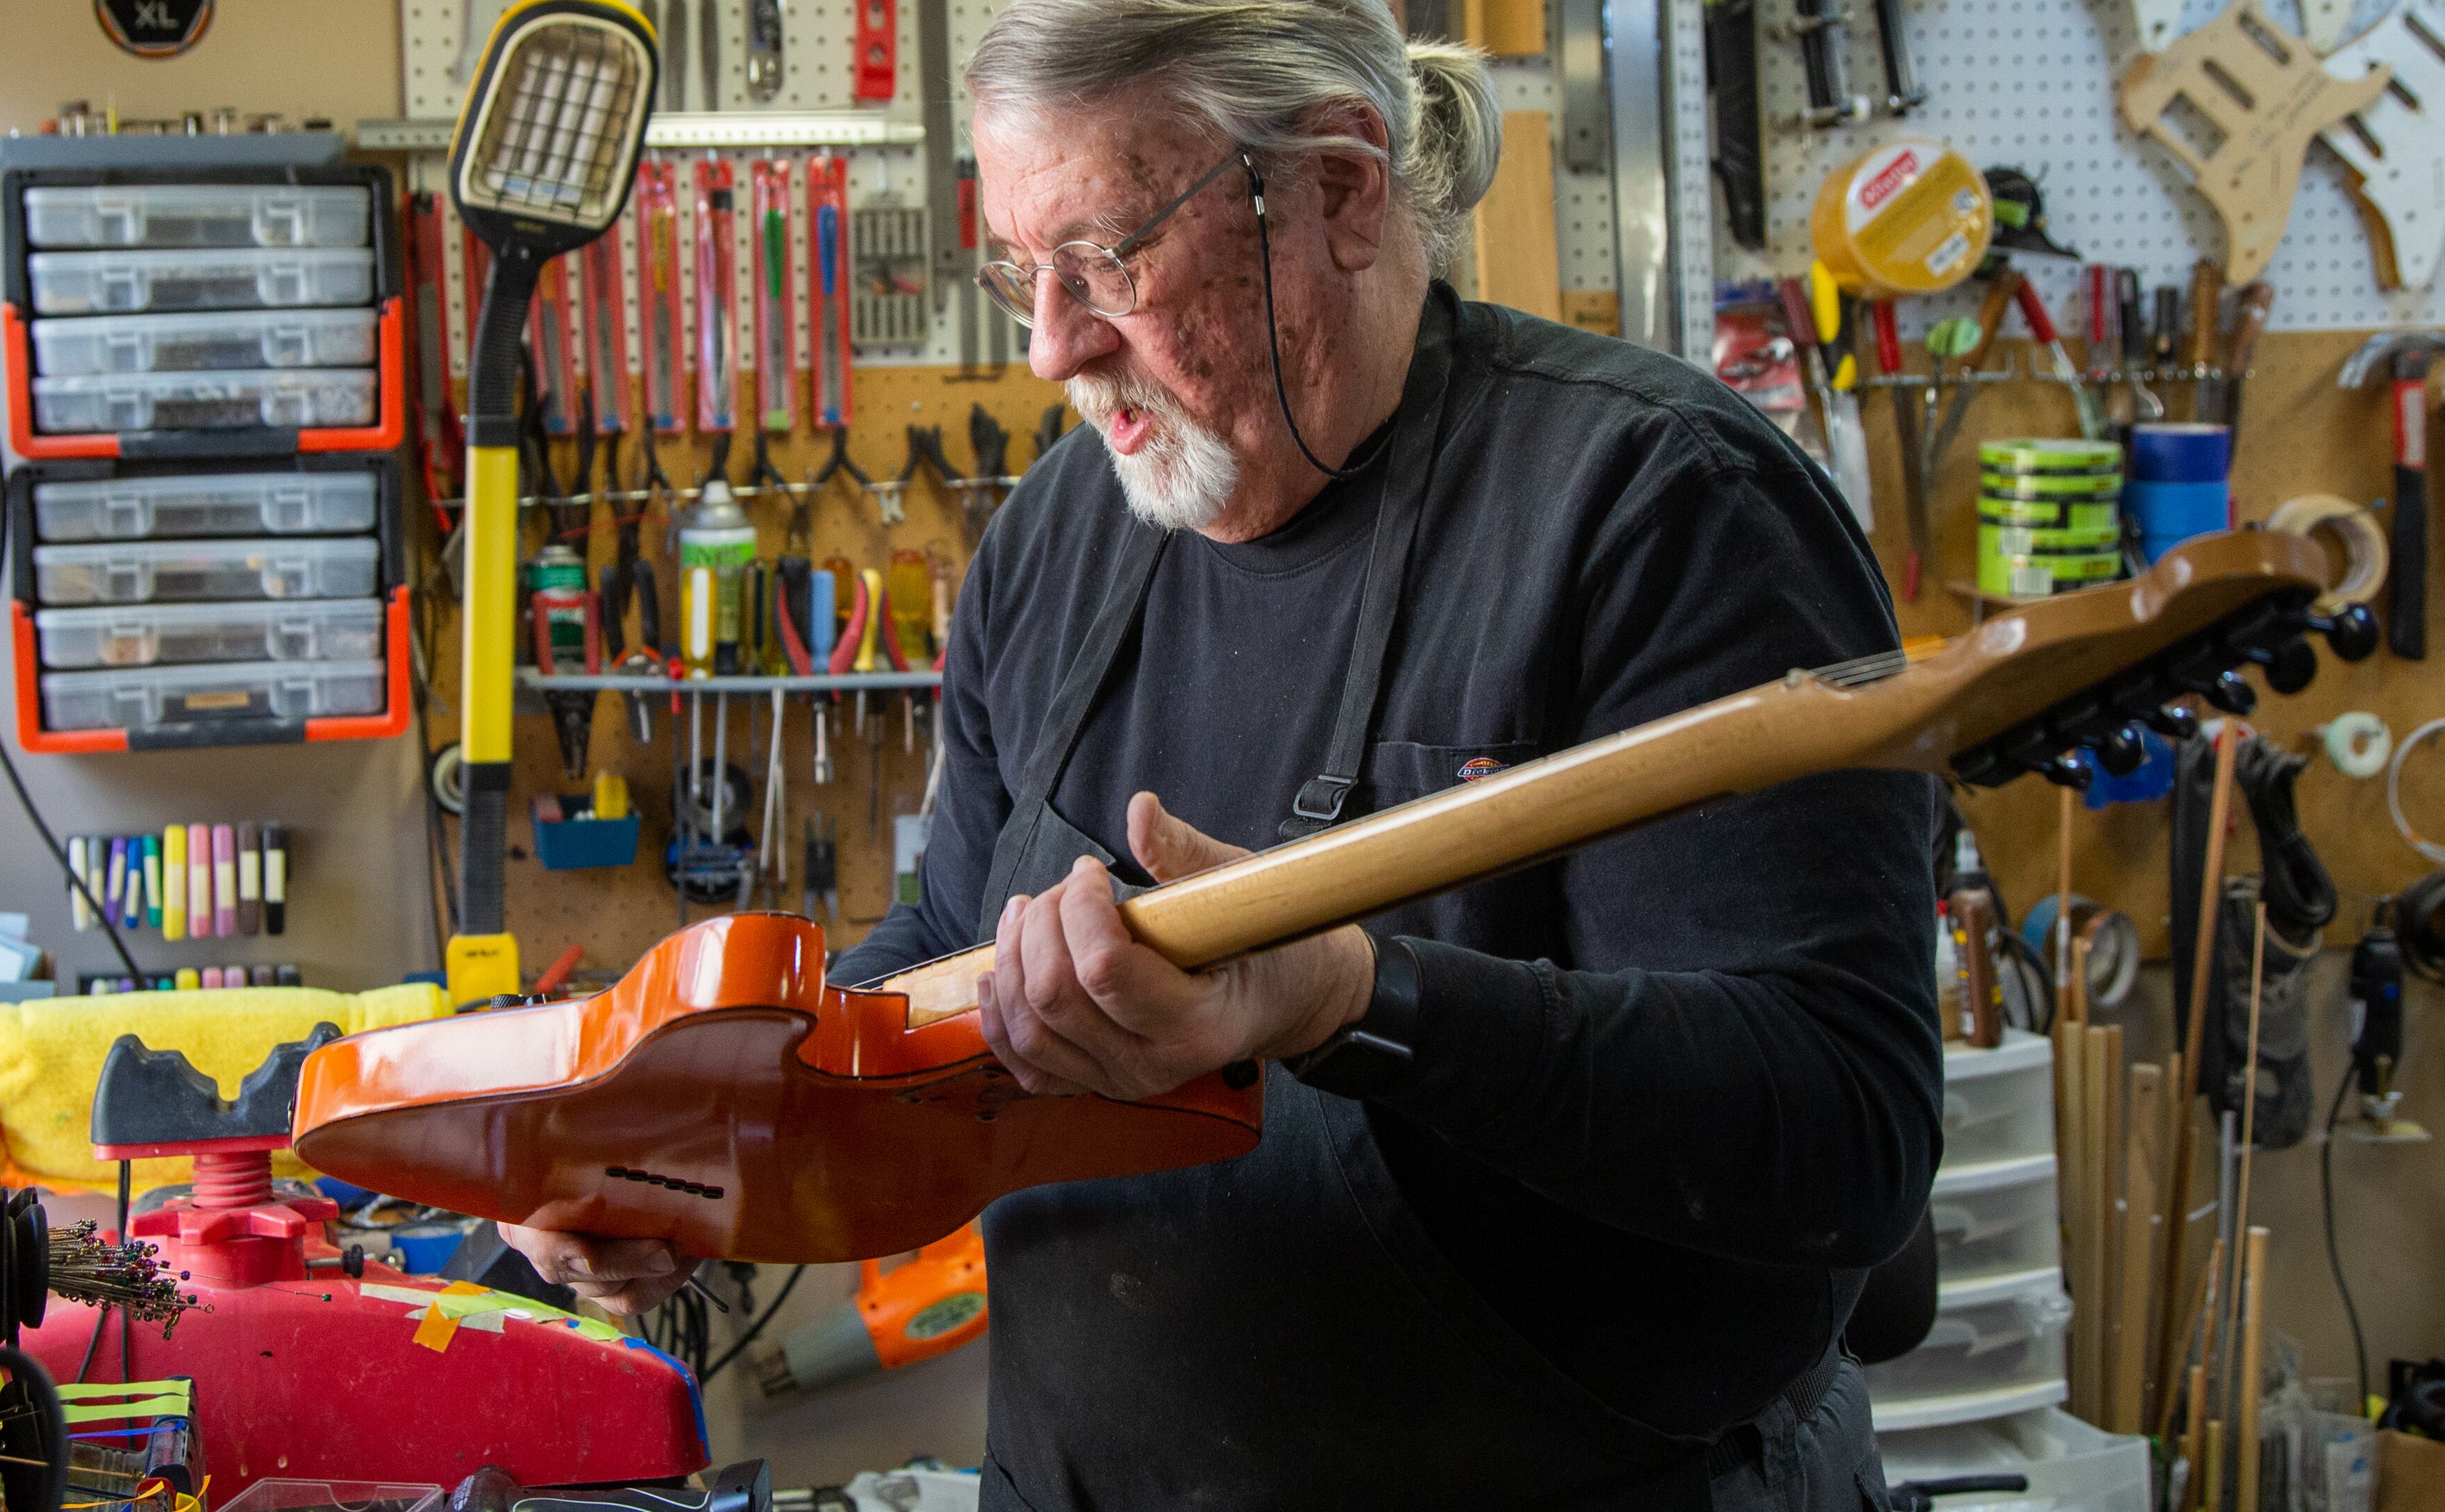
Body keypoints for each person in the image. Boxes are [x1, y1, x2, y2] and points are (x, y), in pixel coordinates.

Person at [503, 1, 1942, 1506]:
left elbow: (1843, 1128)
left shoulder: (1658, 512)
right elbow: (947, 951)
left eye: (1108, 260)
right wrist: (699, 1152)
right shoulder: (1056, 537)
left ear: (1339, 185)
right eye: (1019, 273)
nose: (1054, 345)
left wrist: (1349, 1002)